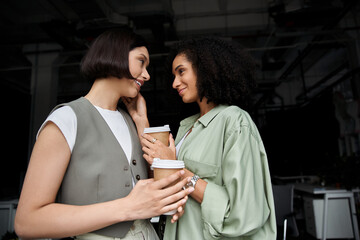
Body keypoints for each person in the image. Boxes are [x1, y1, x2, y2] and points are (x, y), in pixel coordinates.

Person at [14, 28, 193, 240]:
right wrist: (128, 207)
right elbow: (27, 222)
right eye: (141, 62)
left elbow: (153, 188)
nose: (146, 74)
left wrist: (140, 120)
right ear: (115, 55)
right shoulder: (67, 119)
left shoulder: (131, 120)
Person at [139, 37, 277, 239]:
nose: (175, 83)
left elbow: (245, 212)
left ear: (205, 69)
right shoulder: (188, 127)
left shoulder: (234, 121)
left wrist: (177, 169)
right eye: (173, 75)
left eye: (181, 71)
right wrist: (139, 118)